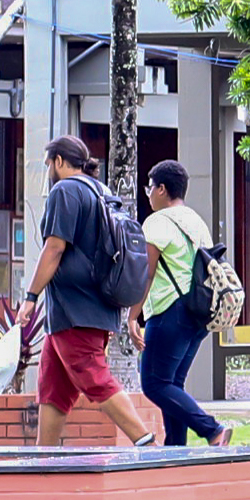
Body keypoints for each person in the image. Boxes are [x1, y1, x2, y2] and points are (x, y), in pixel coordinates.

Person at [25, 135, 160, 448]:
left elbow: (55, 248)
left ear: (59, 161)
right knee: (54, 386)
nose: (48, 171)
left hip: (76, 309)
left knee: (94, 377)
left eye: (48, 164)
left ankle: (146, 442)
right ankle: (43, 456)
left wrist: (31, 297)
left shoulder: (65, 190)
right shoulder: (102, 191)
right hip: (94, 305)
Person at [133, 158, 232, 449]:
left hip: (168, 312)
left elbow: (147, 272)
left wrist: (131, 317)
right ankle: (176, 449)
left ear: (162, 189)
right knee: (172, 384)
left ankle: (211, 429)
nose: (148, 193)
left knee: (153, 383)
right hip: (198, 313)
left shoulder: (157, 221)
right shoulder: (196, 220)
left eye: (149, 187)